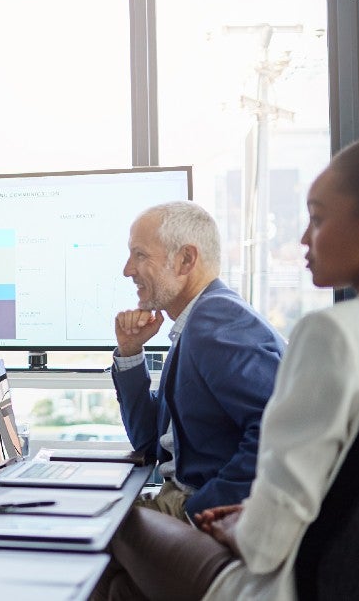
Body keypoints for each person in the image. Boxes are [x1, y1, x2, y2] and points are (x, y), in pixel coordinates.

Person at [103, 101, 359, 601]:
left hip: (290, 586)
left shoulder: (332, 335)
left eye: (318, 219)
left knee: (110, 522)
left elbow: (265, 543)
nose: (304, 238)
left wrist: (232, 522)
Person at [111, 201, 284, 522]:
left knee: (78, 532)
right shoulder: (196, 323)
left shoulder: (216, 319)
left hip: (198, 505)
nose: (128, 270)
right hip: (178, 496)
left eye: (140, 255)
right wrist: (131, 352)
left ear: (186, 260)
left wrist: (200, 512)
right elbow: (148, 441)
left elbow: (278, 430)